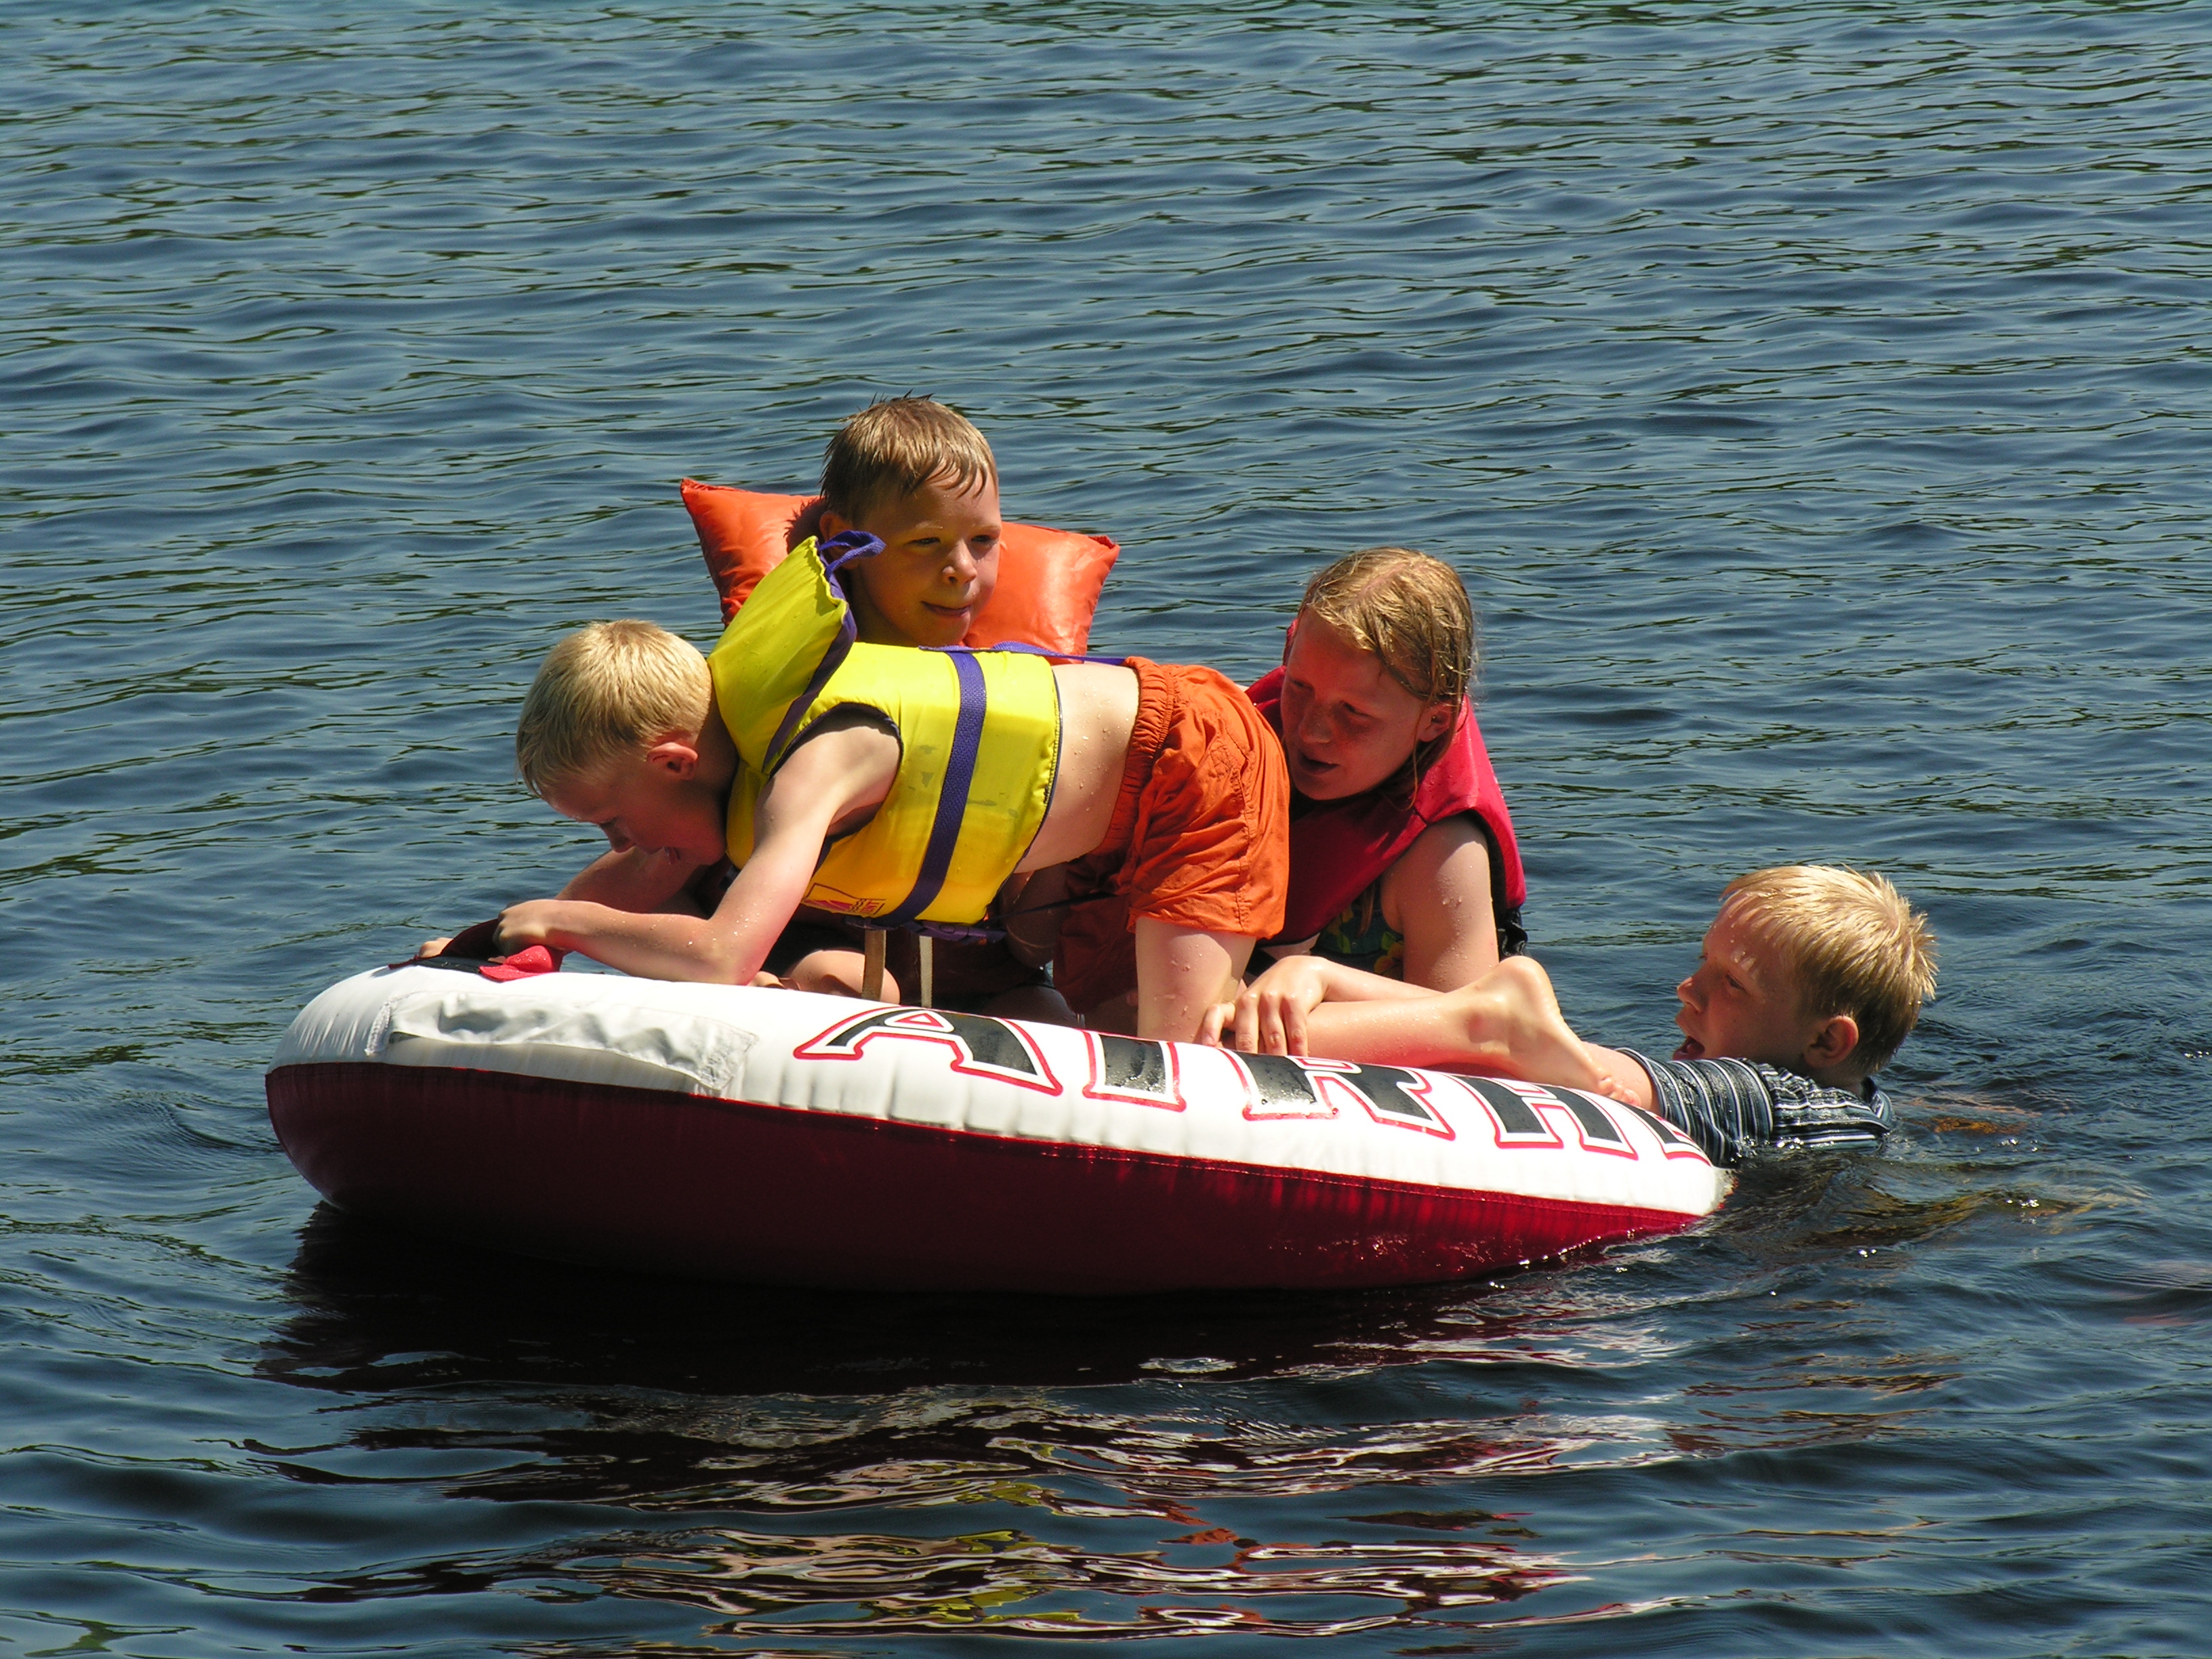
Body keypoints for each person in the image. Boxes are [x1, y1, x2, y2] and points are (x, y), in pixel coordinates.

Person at [470, 531, 1288, 1043]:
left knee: (1181, 1061)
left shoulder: (808, 770)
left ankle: (1342, 1011)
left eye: (612, 822)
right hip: (1109, 833)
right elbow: (642, 871)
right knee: (1111, 1029)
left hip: (1193, 761)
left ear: (676, 763)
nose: (621, 845)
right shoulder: (729, 760)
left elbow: (723, 957)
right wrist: (502, 934)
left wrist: (563, 922)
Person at [1209, 865, 1938, 1167]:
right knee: (1547, 1051)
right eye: (1704, 964)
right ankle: (1490, 1020)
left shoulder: (1785, 1098)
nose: (1687, 989)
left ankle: (1488, 1016)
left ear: (1827, 1041)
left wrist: (1326, 975)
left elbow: (1547, 1042)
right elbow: (1583, 1065)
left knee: (1530, 1039)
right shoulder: (1781, 1099)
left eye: (1731, 985)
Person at [1244, 547, 1528, 992]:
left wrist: (1320, 978)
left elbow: (1471, 1023)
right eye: (1297, 686)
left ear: (1435, 721)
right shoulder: (1237, 751)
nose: (1311, 731)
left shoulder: (1442, 854)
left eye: (1354, 712)